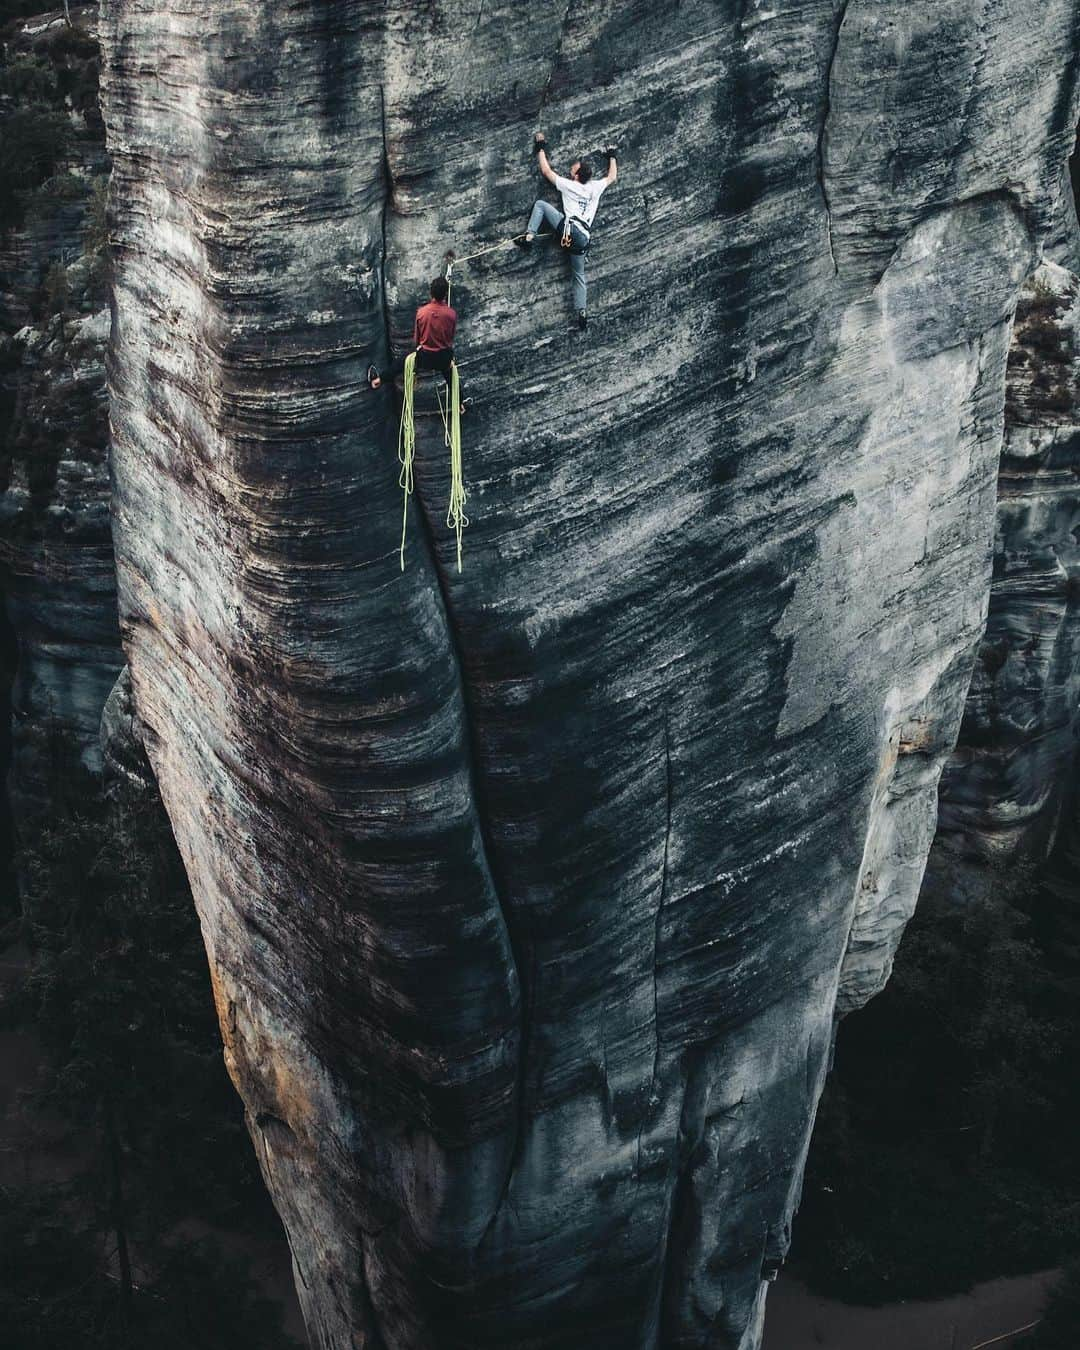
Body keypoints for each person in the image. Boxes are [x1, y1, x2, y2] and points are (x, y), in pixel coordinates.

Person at [515, 132, 617, 329]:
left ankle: (529, 237)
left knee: (541, 205)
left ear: (576, 175)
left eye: (575, 167)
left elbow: (546, 171)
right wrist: (612, 155)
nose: (572, 166)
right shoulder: (596, 187)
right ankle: (582, 312)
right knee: (579, 275)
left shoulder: (569, 186)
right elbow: (612, 176)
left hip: (569, 231)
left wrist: (540, 147)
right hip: (583, 240)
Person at [367, 276, 468, 411]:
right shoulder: (451, 314)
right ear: (445, 294)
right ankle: (460, 404)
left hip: (425, 357)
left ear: (430, 293)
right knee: (450, 376)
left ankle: (378, 381)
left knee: (401, 363)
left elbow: (417, 339)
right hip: (443, 358)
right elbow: (450, 339)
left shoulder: (421, 313)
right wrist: (448, 358)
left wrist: (421, 348)